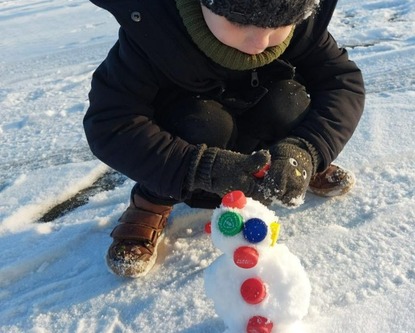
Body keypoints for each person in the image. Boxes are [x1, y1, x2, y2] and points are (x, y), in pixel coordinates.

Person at [84, 0, 365, 278]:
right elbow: (112, 123)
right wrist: (199, 167)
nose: (259, 43)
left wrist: (309, 148)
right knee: (205, 123)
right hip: (189, 133)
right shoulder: (153, 31)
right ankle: (153, 198)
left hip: (262, 117)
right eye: (240, 22)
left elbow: (340, 82)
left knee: (290, 104)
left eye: (280, 25)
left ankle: (292, 166)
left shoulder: (302, 23)